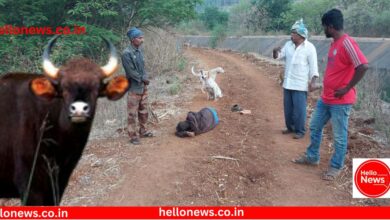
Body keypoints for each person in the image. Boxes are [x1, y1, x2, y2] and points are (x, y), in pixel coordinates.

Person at [293, 9, 369, 181]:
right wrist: (320, 86)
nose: (323, 30)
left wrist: (347, 88)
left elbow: (363, 66)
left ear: (331, 26)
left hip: (340, 101)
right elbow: (336, 73)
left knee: (339, 136)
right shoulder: (334, 43)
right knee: (314, 126)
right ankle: (312, 157)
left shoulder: (347, 43)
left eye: (324, 27)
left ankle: (336, 166)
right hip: (326, 98)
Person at [273, 19, 320, 139]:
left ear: (301, 35)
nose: (291, 35)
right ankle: (290, 127)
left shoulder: (309, 48)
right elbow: (278, 57)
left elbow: (314, 67)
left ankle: (300, 131)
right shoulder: (288, 45)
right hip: (288, 82)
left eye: (294, 33)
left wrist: (313, 82)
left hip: (300, 84)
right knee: (288, 109)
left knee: (299, 110)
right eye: (291, 33)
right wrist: (275, 51)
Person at [122, 27, 153, 145]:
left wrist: (145, 78)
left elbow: (143, 68)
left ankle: (143, 131)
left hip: (143, 87)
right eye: (140, 38)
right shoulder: (126, 54)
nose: (142, 40)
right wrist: (142, 79)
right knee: (132, 113)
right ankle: (133, 136)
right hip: (133, 88)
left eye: (142, 37)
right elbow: (131, 72)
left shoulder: (139, 51)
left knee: (144, 110)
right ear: (133, 39)